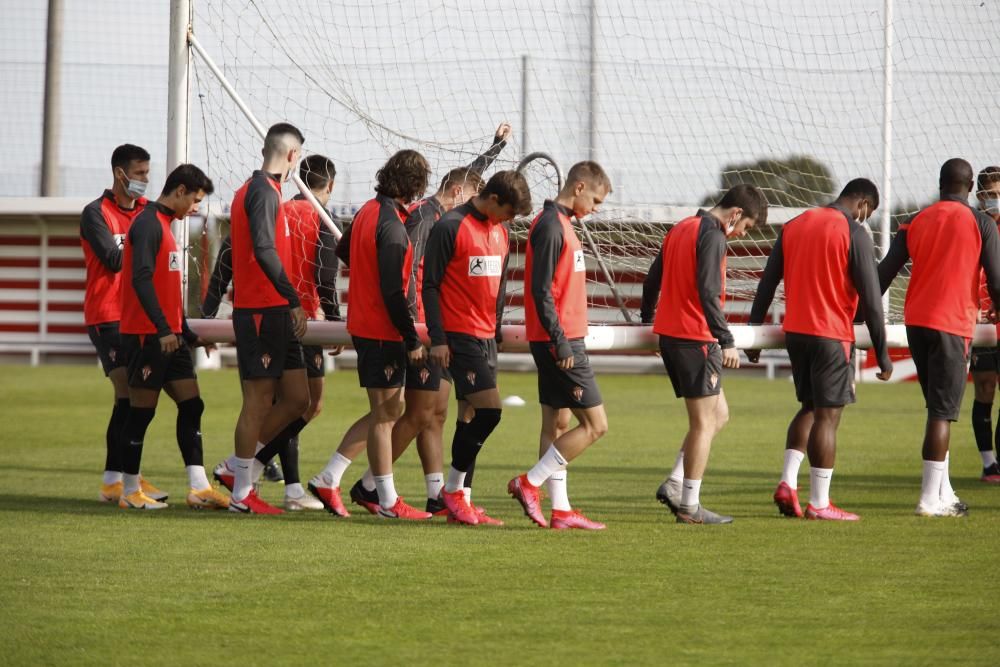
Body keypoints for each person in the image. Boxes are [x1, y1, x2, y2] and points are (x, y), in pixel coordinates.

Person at [307, 125, 513, 517]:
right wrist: (414, 327)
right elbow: (404, 278)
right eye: (472, 199)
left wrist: (495, 148)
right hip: (412, 326)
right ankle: (370, 488)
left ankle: (429, 492)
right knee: (407, 411)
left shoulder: (407, 212)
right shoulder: (419, 220)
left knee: (429, 411)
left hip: (419, 326)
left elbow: (466, 179)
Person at [747, 178, 892, 521]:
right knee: (829, 415)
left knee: (810, 408)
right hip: (830, 335)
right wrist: (882, 354)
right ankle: (820, 503)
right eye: (867, 214)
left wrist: (754, 333)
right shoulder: (854, 233)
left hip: (796, 333)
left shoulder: (794, 225)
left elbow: (767, 281)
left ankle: (787, 482)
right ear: (862, 205)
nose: (864, 219)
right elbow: (872, 300)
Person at [313, 149, 433, 520]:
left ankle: (329, 476)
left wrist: (366, 277)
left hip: (366, 324)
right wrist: (411, 339)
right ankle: (387, 501)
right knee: (385, 416)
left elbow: (343, 249)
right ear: (414, 186)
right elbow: (394, 292)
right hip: (382, 330)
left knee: (387, 411)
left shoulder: (367, 210)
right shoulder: (393, 227)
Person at [879, 158, 1000, 517]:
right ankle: (930, 500)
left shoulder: (914, 220)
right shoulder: (982, 223)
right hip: (952, 324)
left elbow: (883, 272)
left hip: (916, 322)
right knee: (942, 414)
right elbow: (996, 280)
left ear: (940, 183)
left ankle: (944, 492)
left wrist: (860, 317)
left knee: (937, 410)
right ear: (970, 189)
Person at [640, 184, 768, 524]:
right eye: (747, 227)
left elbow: (652, 279)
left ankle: (675, 484)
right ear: (736, 213)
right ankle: (689, 507)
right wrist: (725, 339)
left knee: (719, 414)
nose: (742, 234)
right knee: (703, 423)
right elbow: (709, 292)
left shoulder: (681, 227)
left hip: (674, 336)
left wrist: (648, 320)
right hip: (695, 338)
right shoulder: (713, 235)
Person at [422, 170, 533, 525]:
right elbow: (430, 286)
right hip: (458, 335)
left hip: (486, 337)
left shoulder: (500, 232)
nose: (510, 221)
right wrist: (438, 339)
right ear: (494, 199)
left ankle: (462, 501)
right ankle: (452, 491)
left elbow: (498, 286)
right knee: (491, 412)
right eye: (509, 212)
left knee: (468, 416)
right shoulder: (450, 226)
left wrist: (496, 329)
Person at [507, 161, 612, 530]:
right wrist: (561, 342)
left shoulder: (561, 223)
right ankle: (529, 482)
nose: (596, 209)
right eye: (596, 199)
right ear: (579, 187)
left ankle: (561, 510)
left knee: (557, 423)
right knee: (596, 425)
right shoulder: (552, 225)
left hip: (559, 339)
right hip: (561, 342)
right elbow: (539, 290)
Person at [117, 163, 226, 510]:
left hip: (171, 337)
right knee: (140, 414)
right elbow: (141, 280)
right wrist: (163, 330)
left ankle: (198, 488)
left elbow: (166, 292)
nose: (195, 208)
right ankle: (129, 492)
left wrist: (189, 334)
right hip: (147, 337)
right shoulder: (148, 223)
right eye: (194, 200)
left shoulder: (165, 225)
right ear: (179, 191)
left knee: (193, 405)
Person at [222, 122, 310, 515]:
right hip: (261, 310)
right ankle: (241, 493)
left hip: (275, 310)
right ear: (292, 155)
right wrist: (293, 299)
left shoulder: (268, 190)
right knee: (257, 401)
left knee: (298, 399)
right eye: (300, 156)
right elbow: (262, 249)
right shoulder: (259, 191)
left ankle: (240, 469)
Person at [81, 144, 166, 504]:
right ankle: (118, 481)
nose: (146, 180)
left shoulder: (147, 211)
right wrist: (146, 247)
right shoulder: (95, 213)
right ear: (120, 174)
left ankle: (118, 479)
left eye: (148, 172)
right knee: (128, 396)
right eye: (141, 173)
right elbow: (115, 260)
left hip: (138, 318)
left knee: (130, 400)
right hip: (108, 315)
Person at [968, 166, 1000, 483]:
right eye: (991, 195)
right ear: (980, 196)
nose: (996, 201)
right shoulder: (972, 227)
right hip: (979, 322)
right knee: (985, 388)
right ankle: (988, 462)